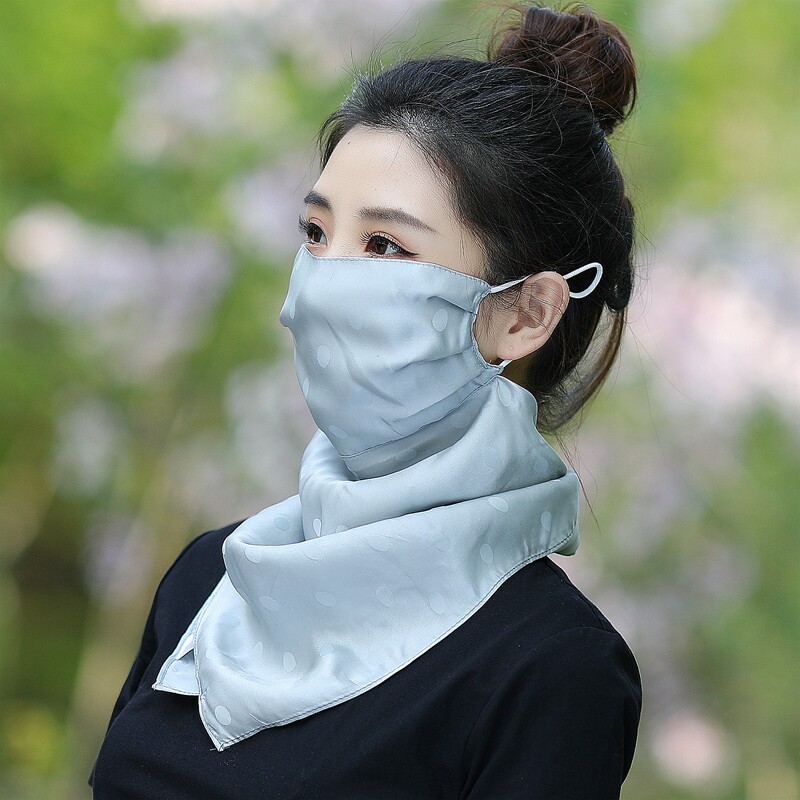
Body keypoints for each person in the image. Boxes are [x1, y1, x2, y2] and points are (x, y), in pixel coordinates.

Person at [89, 2, 642, 797]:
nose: (322, 284)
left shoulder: (551, 670)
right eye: (316, 234)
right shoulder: (211, 575)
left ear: (526, 313)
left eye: (384, 245)